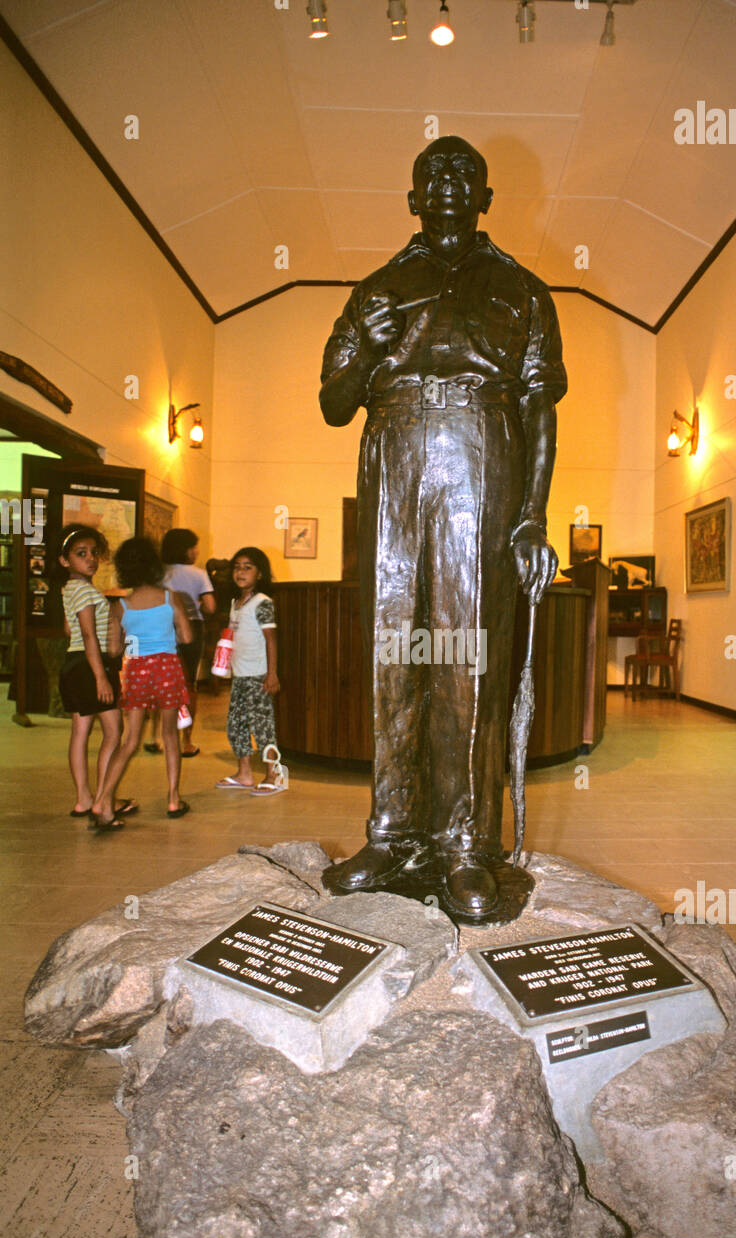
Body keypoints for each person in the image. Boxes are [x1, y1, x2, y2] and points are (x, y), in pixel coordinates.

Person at [319, 136, 565, 919]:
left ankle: (464, 842)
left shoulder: (521, 289)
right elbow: (331, 401)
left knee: (464, 659)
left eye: (465, 173)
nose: (449, 181)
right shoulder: (377, 289)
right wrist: (367, 355)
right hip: (392, 457)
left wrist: (531, 515)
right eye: (433, 172)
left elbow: (539, 408)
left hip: (481, 456)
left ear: (487, 198)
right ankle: (392, 832)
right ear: (413, 199)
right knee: (397, 649)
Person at [91, 537, 192, 828]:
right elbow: (186, 637)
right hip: (167, 669)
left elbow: (112, 649)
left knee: (130, 740)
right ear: (154, 566)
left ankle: (103, 801)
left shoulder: (121, 606)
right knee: (170, 736)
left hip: (137, 672)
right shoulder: (169, 598)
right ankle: (173, 799)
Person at [56, 524, 136, 820]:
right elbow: (90, 636)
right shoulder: (86, 592)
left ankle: (84, 799)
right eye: (81, 554)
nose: (90, 558)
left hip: (74, 664)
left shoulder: (70, 590)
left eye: (93, 553)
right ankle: (104, 799)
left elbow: (69, 629)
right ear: (65, 561)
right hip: (93, 665)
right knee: (115, 733)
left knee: (80, 733)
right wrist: (102, 676)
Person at [215, 547, 283, 795]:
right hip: (240, 674)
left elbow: (271, 639)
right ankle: (244, 773)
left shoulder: (262, 602)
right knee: (236, 725)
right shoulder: (236, 603)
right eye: (237, 567)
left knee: (262, 726)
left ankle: (274, 775)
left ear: (260, 574)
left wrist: (272, 673)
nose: (240, 572)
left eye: (248, 567)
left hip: (258, 674)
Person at [161, 527, 216, 756]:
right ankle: (186, 741)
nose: (197, 551)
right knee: (188, 684)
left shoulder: (159, 573)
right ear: (186, 550)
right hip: (192, 628)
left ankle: (159, 738)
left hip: (162, 627)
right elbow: (210, 607)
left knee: (164, 683)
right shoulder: (199, 574)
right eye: (194, 546)